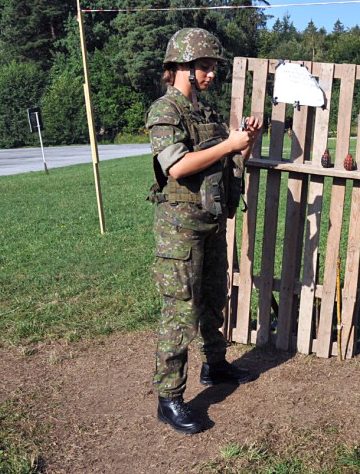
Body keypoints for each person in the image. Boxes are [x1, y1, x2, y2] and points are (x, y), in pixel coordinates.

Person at [147, 28, 262, 434]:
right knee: (180, 311)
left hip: (211, 222)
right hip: (179, 232)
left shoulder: (204, 113)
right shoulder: (166, 112)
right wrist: (230, 144)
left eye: (213, 67)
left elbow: (226, 161)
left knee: (213, 298)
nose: (211, 74)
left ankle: (214, 366)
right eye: (204, 67)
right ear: (180, 66)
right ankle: (170, 399)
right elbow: (176, 167)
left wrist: (246, 141)